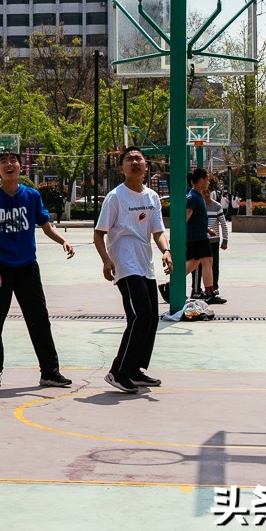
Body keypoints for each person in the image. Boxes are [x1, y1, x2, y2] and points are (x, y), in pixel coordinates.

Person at [0, 150, 74, 390]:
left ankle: (50, 372)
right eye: (3, 162)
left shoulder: (31, 196)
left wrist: (63, 240)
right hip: (0, 268)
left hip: (27, 267)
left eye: (13, 161)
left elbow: (46, 225)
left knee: (39, 320)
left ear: (21, 167)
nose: (9, 165)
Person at [93, 146, 172, 394]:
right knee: (142, 314)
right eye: (129, 159)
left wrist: (166, 251)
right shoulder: (115, 197)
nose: (135, 162)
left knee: (151, 318)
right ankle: (118, 371)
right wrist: (106, 260)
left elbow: (157, 231)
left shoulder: (152, 197)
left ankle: (134, 369)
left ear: (146, 166)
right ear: (122, 168)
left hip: (145, 264)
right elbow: (98, 234)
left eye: (139, 158)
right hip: (125, 263)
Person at [183, 169, 224, 304]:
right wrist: (179, 236)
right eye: (207, 179)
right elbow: (186, 217)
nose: (208, 183)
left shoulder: (196, 195)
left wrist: (207, 229)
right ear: (201, 180)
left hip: (198, 234)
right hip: (197, 237)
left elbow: (195, 218)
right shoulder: (193, 197)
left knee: (195, 262)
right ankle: (210, 293)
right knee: (207, 261)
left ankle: (171, 284)